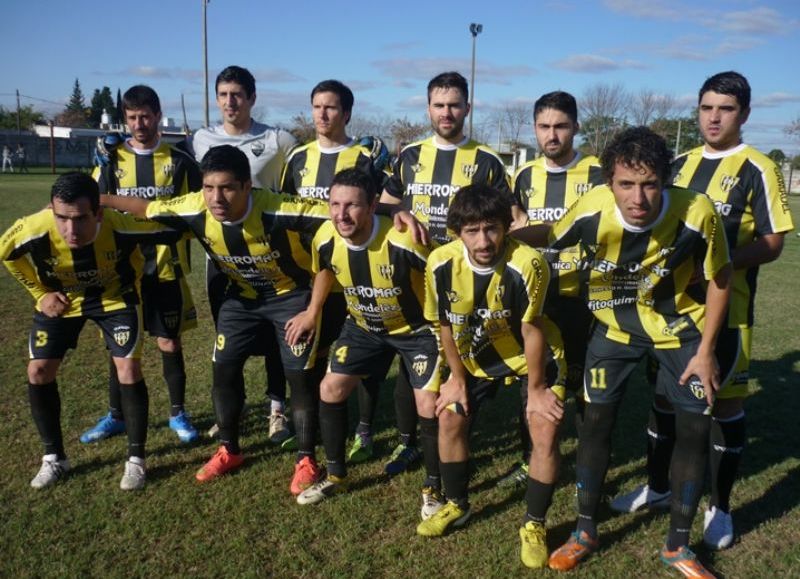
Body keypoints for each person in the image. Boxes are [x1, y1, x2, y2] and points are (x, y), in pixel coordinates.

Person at [99, 145, 422, 493]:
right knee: (223, 367)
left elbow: (346, 212)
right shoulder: (194, 208)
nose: (216, 197)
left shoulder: (281, 209)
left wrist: (397, 211)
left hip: (290, 296)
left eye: (227, 188)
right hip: (242, 299)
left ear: (246, 187)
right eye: (209, 187)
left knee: (299, 376)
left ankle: (305, 457)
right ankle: (229, 450)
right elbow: (146, 209)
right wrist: (97, 200)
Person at [516, 127, 732, 577]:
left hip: (679, 329)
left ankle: (678, 545)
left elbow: (720, 277)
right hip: (614, 327)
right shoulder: (591, 208)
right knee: (594, 422)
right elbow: (549, 245)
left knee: (695, 428)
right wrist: (497, 233)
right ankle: (585, 531)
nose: (638, 197)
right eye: (626, 184)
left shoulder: (697, 211)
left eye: (650, 183)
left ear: (666, 180)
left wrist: (707, 350)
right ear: (609, 182)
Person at [610, 72, 795, 552]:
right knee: (666, 399)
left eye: (726, 109)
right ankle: (657, 485)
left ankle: (721, 506)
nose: (714, 117)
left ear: (745, 114)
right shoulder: (682, 163)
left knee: (724, 405)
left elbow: (773, 243)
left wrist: (719, 262)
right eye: (707, 107)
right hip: (669, 313)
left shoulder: (759, 167)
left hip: (728, 312)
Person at [379, 71, 525, 475]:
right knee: (414, 364)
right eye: (439, 105)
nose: (447, 112)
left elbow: (511, 218)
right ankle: (409, 443)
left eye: (454, 104)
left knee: (465, 357)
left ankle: (459, 434)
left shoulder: (488, 161)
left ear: (467, 108)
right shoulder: (409, 155)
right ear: (428, 108)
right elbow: (384, 203)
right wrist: (396, 210)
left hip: (467, 281)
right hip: (412, 278)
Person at [1, 172, 179, 490]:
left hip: (114, 298)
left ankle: (136, 461)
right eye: (61, 218)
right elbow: (6, 253)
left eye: (81, 218)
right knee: (38, 370)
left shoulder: (120, 224)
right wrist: (40, 295)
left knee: (128, 367)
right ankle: (54, 457)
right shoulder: (33, 227)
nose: (70, 229)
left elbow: (172, 223)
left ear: (97, 212)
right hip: (62, 301)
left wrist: (116, 200)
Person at [284, 168, 442, 519]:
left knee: (427, 405)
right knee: (330, 389)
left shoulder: (404, 240)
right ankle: (337, 474)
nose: (341, 214)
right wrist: (313, 311)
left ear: (373, 206)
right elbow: (324, 268)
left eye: (352, 206)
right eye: (334, 204)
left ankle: (433, 487)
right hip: (364, 327)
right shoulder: (325, 236)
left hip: (417, 330)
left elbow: (443, 276)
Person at [416, 183, 560, 562]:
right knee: (448, 418)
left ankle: (534, 523)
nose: (483, 240)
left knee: (543, 426)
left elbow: (533, 330)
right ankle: (457, 504)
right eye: (472, 230)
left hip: (529, 357)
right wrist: (457, 379)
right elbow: (445, 324)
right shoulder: (440, 263)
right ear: (457, 232)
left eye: (492, 228)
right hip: (473, 358)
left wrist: (538, 388)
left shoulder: (529, 264)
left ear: (507, 226)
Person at [80, 85, 202, 445]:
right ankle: (116, 415)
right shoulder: (110, 159)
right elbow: (90, 206)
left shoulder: (179, 161)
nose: (140, 123)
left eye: (146, 115)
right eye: (132, 117)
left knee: (169, 342)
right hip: (119, 270)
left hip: (165, 268)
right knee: (119, 347)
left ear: (159, 115)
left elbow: (196, 207)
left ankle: (178, 413)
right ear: (124, 119)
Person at [280, 79, 390, 466]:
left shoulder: (365, 156)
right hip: (310, 273)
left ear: (346, 114)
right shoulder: (297, 158)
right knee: (311, 350)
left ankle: (364, 428)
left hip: (359, 274)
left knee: (364, 352)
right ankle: (305, 422)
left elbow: (384, 206)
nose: (322, 115)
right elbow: (285, 212)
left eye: (330, 108)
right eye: (316, 107)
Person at [499, 90, 604, 489]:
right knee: (534, 378)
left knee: (585, 386)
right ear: (534, 129)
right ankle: (531, 459)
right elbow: (514, 225)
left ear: (576, 127)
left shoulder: (598, 172)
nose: (552, 135)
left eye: (561, 126)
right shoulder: (524, 176)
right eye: (544, 126)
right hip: (539, 299)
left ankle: (584, 466)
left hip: (587, 297)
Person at [191, 65, 297, 443]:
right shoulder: (200, 139)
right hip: (222, 262)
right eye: (223, 94)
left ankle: (277, 409)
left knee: (275, 337)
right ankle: (229, 413)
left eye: (237, 94)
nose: (229, 101)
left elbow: (297, 186)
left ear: (252, 98)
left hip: (271, 259)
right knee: (227, 340)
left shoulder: (279, 139)